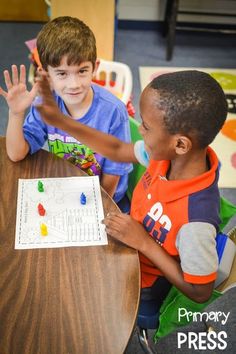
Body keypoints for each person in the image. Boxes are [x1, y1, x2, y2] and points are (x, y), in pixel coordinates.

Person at [36, 69, 228, 304]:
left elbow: (200, 292)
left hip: (141, 277)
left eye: (146, 126)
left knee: (62, 285)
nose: (139, 130)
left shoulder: (196, 221)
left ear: (180, 144)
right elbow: (116, 149)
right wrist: (61, 121)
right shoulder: (163, 156)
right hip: (126, 237)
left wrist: (143, 242)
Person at [0, 16, 132, 210]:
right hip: (65, 187)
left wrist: (97, 208)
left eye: (82, 71)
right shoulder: (45, 102)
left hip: (104, 197)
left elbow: (113, 174)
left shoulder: (113, 112)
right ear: (45, 74)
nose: (74, 84)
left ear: (94, 68)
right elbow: (16, 153)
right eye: (62, 73)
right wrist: (16, 114)